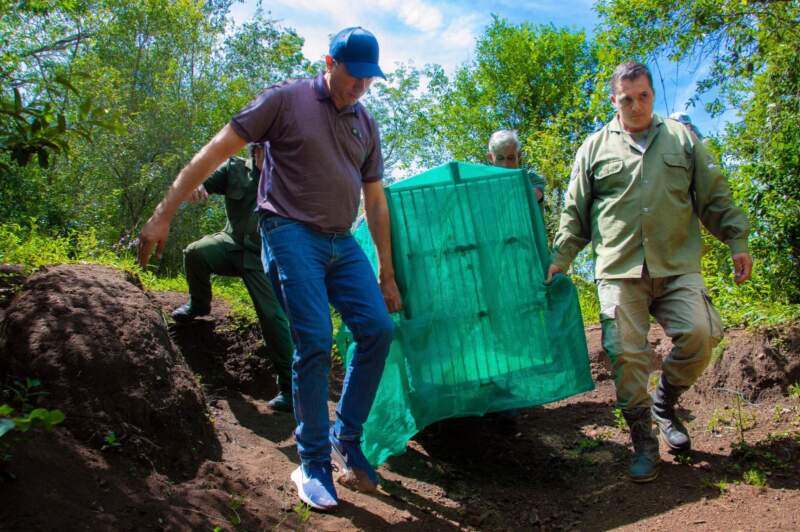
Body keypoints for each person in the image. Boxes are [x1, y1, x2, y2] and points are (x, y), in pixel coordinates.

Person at [138, 26, 401, 511]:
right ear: (330, 62)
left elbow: (376, 200)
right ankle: (314, 464)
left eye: (370, 79)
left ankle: (347, 436)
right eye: (354, 76)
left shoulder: (365, 123)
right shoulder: (284, 100)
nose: (361, 87)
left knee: (378, 330)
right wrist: (164, 212)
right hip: (289, 232)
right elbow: (217, 149)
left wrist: (386, 272)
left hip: (342, 242)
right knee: (315, 340)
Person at [547, 61, 752, 483]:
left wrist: (736, 240)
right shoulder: (593, 148)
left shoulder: (682, 139)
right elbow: (574, 212)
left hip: (676, 265)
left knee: (701, 333)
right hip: (620, 270)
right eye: (627, 99)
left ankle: (665, 402)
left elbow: (714, 195)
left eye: (643, 97)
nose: (636, 106)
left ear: (653, 95)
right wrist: (560, 258)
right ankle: (643, 437)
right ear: (613, 100)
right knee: (625, 352)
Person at [172, 142, 294, 412]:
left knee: (274, 318)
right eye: (265, 148)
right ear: (256, 149)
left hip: (261, 258)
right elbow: (203, 181)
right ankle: (198, 305)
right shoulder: (235, 168)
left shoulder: (288, 177)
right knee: (195, 253)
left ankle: (290, 389)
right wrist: (197, 186)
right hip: (230, 245)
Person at [487, 129, 545, 204]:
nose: (505, 164)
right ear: (490, 158)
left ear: (519, 156)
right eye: (500, 158)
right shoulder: (485, 183)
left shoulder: (531, 178)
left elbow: (537, 195)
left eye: (510, 158)